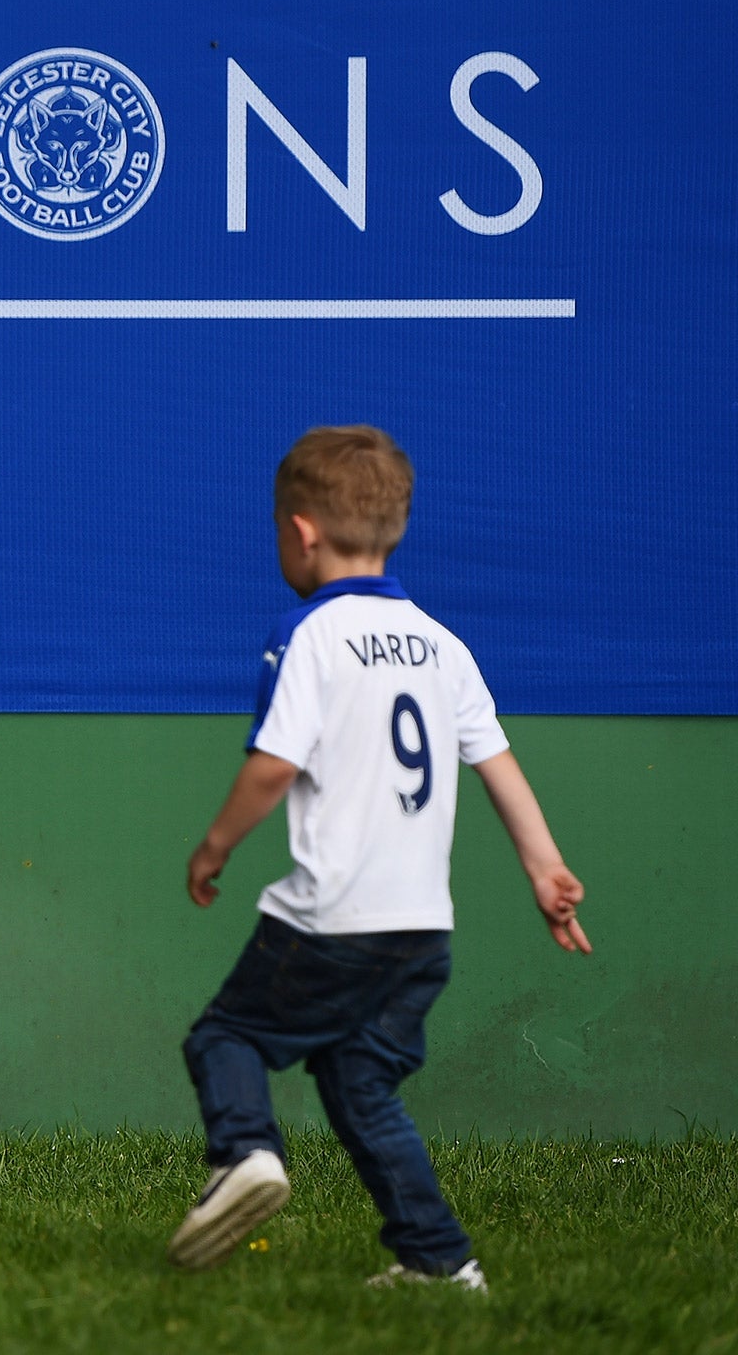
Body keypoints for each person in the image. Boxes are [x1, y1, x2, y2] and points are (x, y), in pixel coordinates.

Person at [166, 426, 591, 1290]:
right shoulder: (443, 644)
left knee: (227, 1034)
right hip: (420, 929)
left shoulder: (310, 637)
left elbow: (274, 765)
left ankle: (244, 1155)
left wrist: (213, 848)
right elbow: (497, 766)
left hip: (331, 918)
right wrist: (545, 870)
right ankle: (438, 1263)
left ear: (300, 533)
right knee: (360, 1085)